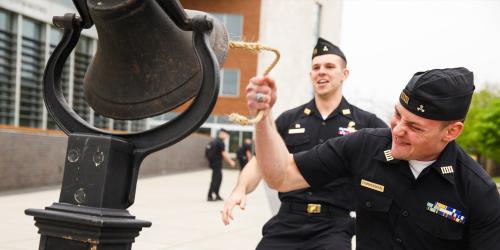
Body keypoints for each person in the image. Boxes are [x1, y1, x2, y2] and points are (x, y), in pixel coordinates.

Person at [246, 67, 500, 249]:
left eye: (415, 126)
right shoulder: (365, 145)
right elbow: (281, 176)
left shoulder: (478, 192)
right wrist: (263, 118)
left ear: (452, 131)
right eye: (397, 115)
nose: (398, 130)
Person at [222, 38, 387, 250]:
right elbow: (258, 162)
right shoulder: (289, 120)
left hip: (334, 226)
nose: (322, 72)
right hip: (288, 220)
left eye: (329, 67)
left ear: (344, 74)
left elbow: (392, 159)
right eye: (316, 67)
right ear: (311, 75)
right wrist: (240, 189)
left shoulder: (366, 124)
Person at [207, 128, 236, 201]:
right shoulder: (220, 142)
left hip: (214, 163)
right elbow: (224, 154)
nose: (227, 136)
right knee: (215, 179)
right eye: (227, 135)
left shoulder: (214, 141)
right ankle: (210, 196)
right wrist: (231, 162)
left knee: (218, 179)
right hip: (216, 164)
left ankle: (216, 194)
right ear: (222, 134)